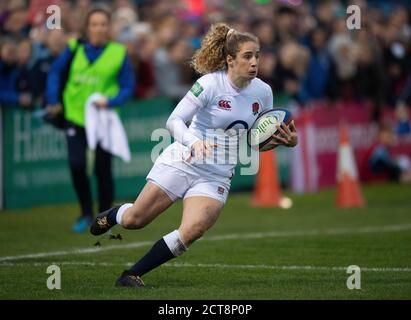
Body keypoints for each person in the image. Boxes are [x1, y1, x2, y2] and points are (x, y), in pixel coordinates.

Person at [90, 23, 298, 287]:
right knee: (135, 220)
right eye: (247, 56)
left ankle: (132, 274)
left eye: (257, 55)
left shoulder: (263, 92)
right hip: (184, 160)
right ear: (230, 59)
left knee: (194, 230)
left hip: (218, 173)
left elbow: (257, 139)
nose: (254, 61)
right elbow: (174, 120)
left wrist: (289, 141)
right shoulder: (209, 84)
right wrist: (194, 142)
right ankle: (116, 214)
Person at [46, 7, 135, 233]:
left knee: (102, 168)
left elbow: (127, 86)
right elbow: (55, 73)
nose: (98, 28)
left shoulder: (118, 52)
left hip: (103, 120)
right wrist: (53, 99)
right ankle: (86, 212)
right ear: (87, 27)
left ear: (109, 27)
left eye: (103, 24)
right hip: (75, 116)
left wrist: (112, 101)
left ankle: (104, 217)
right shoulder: (74, 48)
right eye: (94, 24)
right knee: (77, 165)